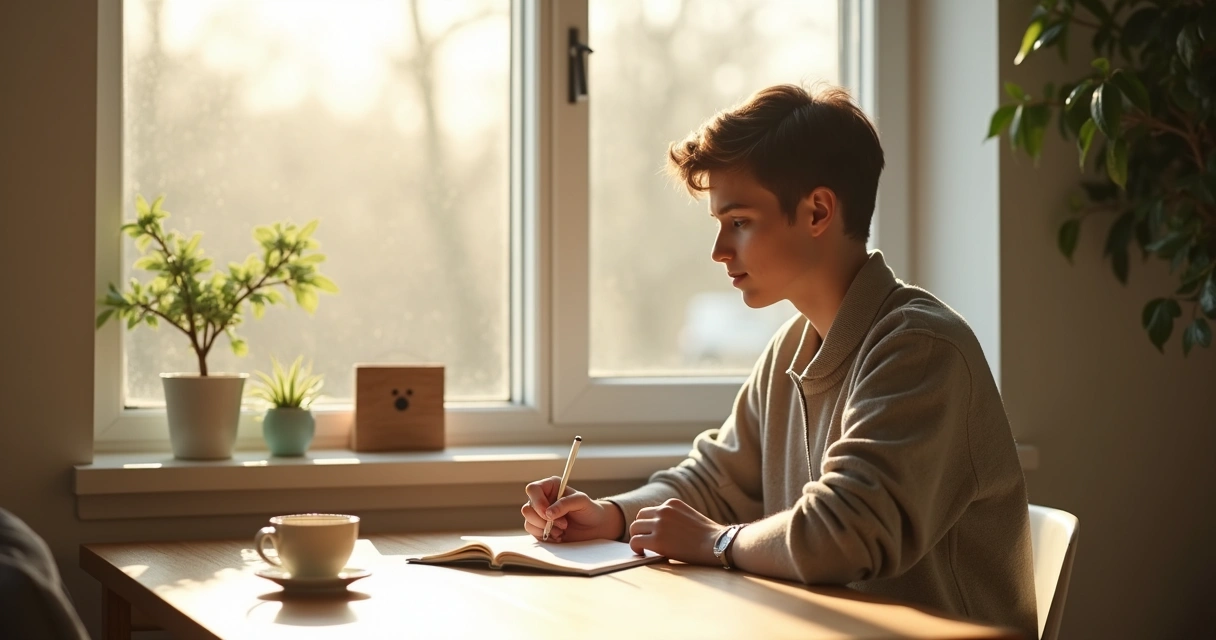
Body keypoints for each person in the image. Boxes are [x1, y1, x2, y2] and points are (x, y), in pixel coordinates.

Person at [521, 83, 1038, 637]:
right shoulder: (793, 345)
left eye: (739, 221)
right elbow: (714, 481)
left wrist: (715, 541)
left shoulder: (920, 349)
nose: (719, 250)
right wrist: (611, 516)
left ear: (817, 211)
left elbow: (844, 533)